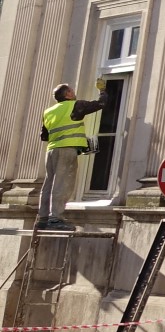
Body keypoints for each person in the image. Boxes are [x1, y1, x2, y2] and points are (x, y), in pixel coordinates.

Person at [37, 82, 105, 232]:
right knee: (63, 183)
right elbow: (101, 103)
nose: (74, 93)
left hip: (51, 150)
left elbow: (44, 136)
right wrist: (103, 90)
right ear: (67, 94)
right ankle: (55, 218)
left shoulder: (48, 111)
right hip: (67, 150)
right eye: (72, 91)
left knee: (49, 183)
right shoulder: (75, 105)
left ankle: (42, 218)